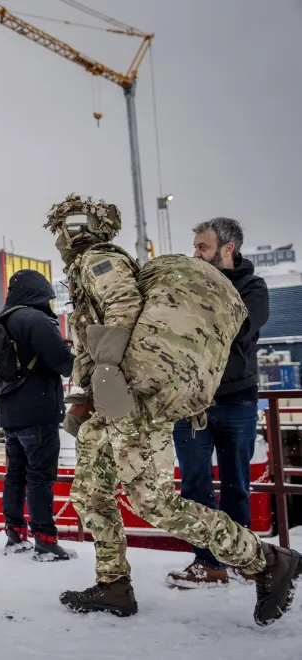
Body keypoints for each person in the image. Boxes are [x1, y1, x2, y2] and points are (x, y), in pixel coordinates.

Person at [45, 193, 300, 626]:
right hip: (114, 397)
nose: (60, 236)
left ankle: (265, 561)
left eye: (64, 228)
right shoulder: (91, 263)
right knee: (90, 492)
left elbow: (123, 307)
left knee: (152, 500)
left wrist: (106, 379)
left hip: (131, 397)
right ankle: (113, 583)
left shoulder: (98, 259)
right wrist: (89, 394)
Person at [166, 218, 270, 587]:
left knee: (236, 484)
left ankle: (241, 559)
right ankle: (208, 563)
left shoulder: (253, 288)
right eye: (195, 246)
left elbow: (238, 327)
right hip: (190, 402)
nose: (195, 254)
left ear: (228, 249)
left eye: (203, 247)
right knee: (195, 486)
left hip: (236, 401)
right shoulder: (187, 285)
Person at [0, 270, 75, 560]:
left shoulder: (2, 320)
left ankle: (15, 535)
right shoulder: (34, 319)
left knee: (15, 474)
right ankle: (45, 541)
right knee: (40, 476)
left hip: (8, 412)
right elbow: (65, 364)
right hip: (37, 411)